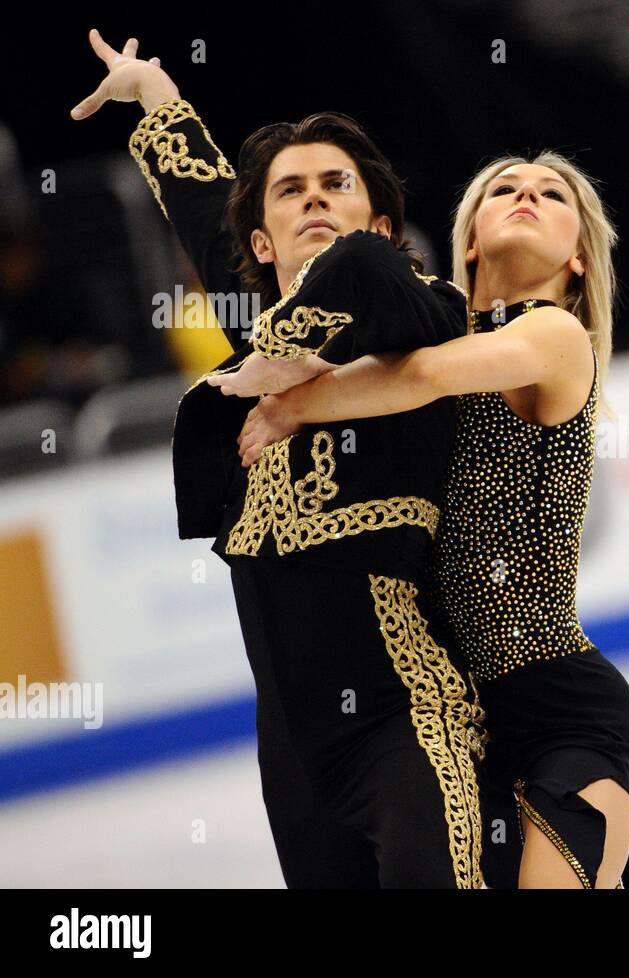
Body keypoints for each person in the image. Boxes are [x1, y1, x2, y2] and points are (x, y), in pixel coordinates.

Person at [70, 30, 486, 888]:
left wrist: (279, 360)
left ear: (379, 216)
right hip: (293, 758)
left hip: (411, 723)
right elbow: (197, 200)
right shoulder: (251, 321)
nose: (314, 200)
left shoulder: (430, 312)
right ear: (260, 246)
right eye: (290, 193)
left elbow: (365, 271)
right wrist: (154, 96)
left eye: (338, 184)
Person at [226, 155, 629, 889]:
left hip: (568, 713)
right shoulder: (426, 337)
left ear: (580, 257)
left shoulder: (554, 336)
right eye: (503, 189)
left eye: (551, 195)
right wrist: (158, 104)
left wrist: (293, 400)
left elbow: (426, 376)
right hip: (465, 724)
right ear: (467, 242)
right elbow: (285, 264)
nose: (525, 194)